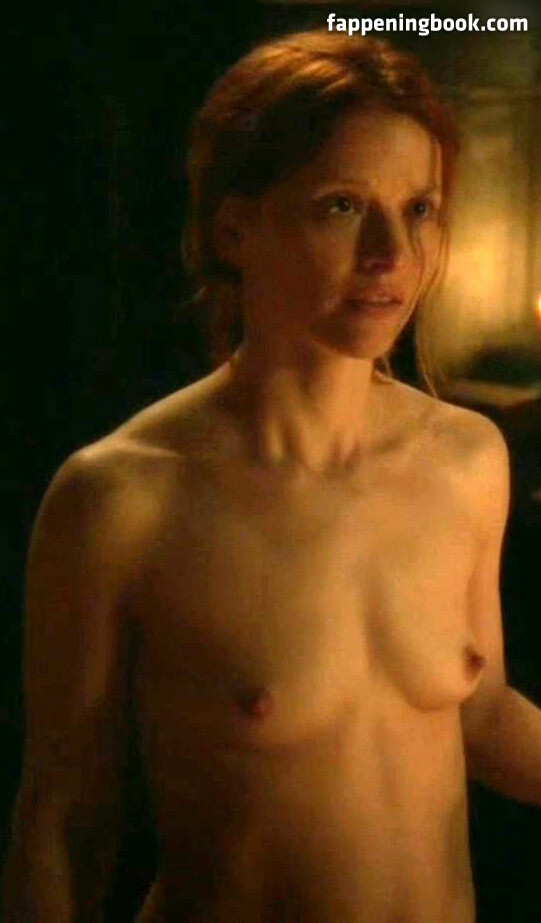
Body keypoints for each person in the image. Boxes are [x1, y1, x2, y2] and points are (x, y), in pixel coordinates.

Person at [3, 27, 541, 923]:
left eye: (418, 208)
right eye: (341, 206)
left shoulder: (466, 458)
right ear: (233, 227)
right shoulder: (124, 498)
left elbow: (481, 715)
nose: (390, 254)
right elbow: (65, 816)